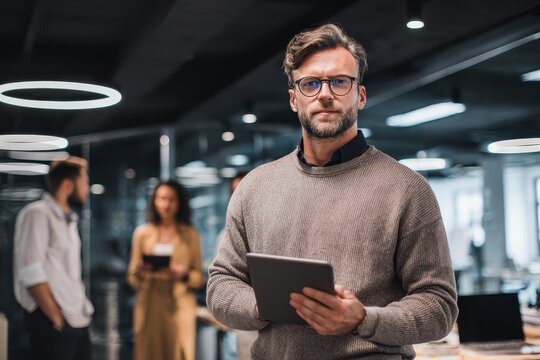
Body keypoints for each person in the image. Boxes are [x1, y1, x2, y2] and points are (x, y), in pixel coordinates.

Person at [207, 23, 458, 359]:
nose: (325, 94)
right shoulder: (254, 187)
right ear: (294, 100)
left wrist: (363, 319)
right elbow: (221, 283)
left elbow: (439, 307)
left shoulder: (407, 190)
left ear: (360, 94)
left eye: (339, 81)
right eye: (311, 84)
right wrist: (263, 306)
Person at [13, 157, 94, 360]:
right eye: (84, 183)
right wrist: (56, 317)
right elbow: (30, 271)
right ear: (67, 185)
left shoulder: (69, 219)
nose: (87, 189)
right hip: (53, 321)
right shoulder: (37, 214)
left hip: (77, 318)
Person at [127, 180, 204, 360]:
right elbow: (131, 278)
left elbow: (198, 278)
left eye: (171, 199)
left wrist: (183, 273)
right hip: (150, 306)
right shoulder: (142, 234)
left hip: (180, 306)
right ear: (154, 201)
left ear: (179, 203)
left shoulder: (190, 234)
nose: (166, 204)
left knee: (180, 353)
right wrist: (139, 271)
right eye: (161, 198)